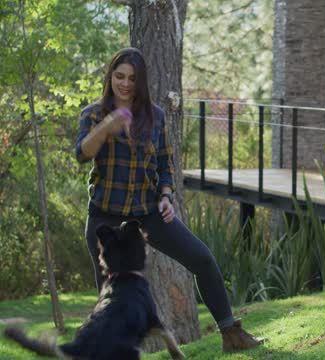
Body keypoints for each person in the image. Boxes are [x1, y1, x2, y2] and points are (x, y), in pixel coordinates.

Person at [74, 47, 263, 353]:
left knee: (202, 258)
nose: (124, 83)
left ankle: (231, 335)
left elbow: (164, 165)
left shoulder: (155, 116)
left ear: (141, 82)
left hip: (146, 211)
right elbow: (82, 154)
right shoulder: (92, 114)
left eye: (131, 78)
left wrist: (166, 196)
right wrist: (108, 125)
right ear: (110, 77)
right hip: (105, 217)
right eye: (119, 76)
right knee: (110, 298)